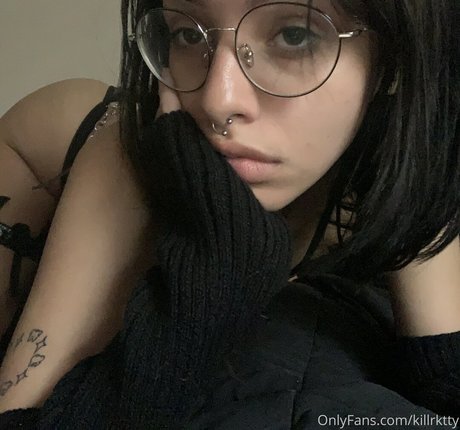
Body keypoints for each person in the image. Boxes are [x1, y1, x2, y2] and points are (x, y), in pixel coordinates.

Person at [0, 0, 459, 428]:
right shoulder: (123, 156)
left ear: (393, 55)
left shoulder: (410, 171)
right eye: (187, 35)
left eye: (294, 36)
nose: (218, 101)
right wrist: (217, 262)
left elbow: (444, 385)